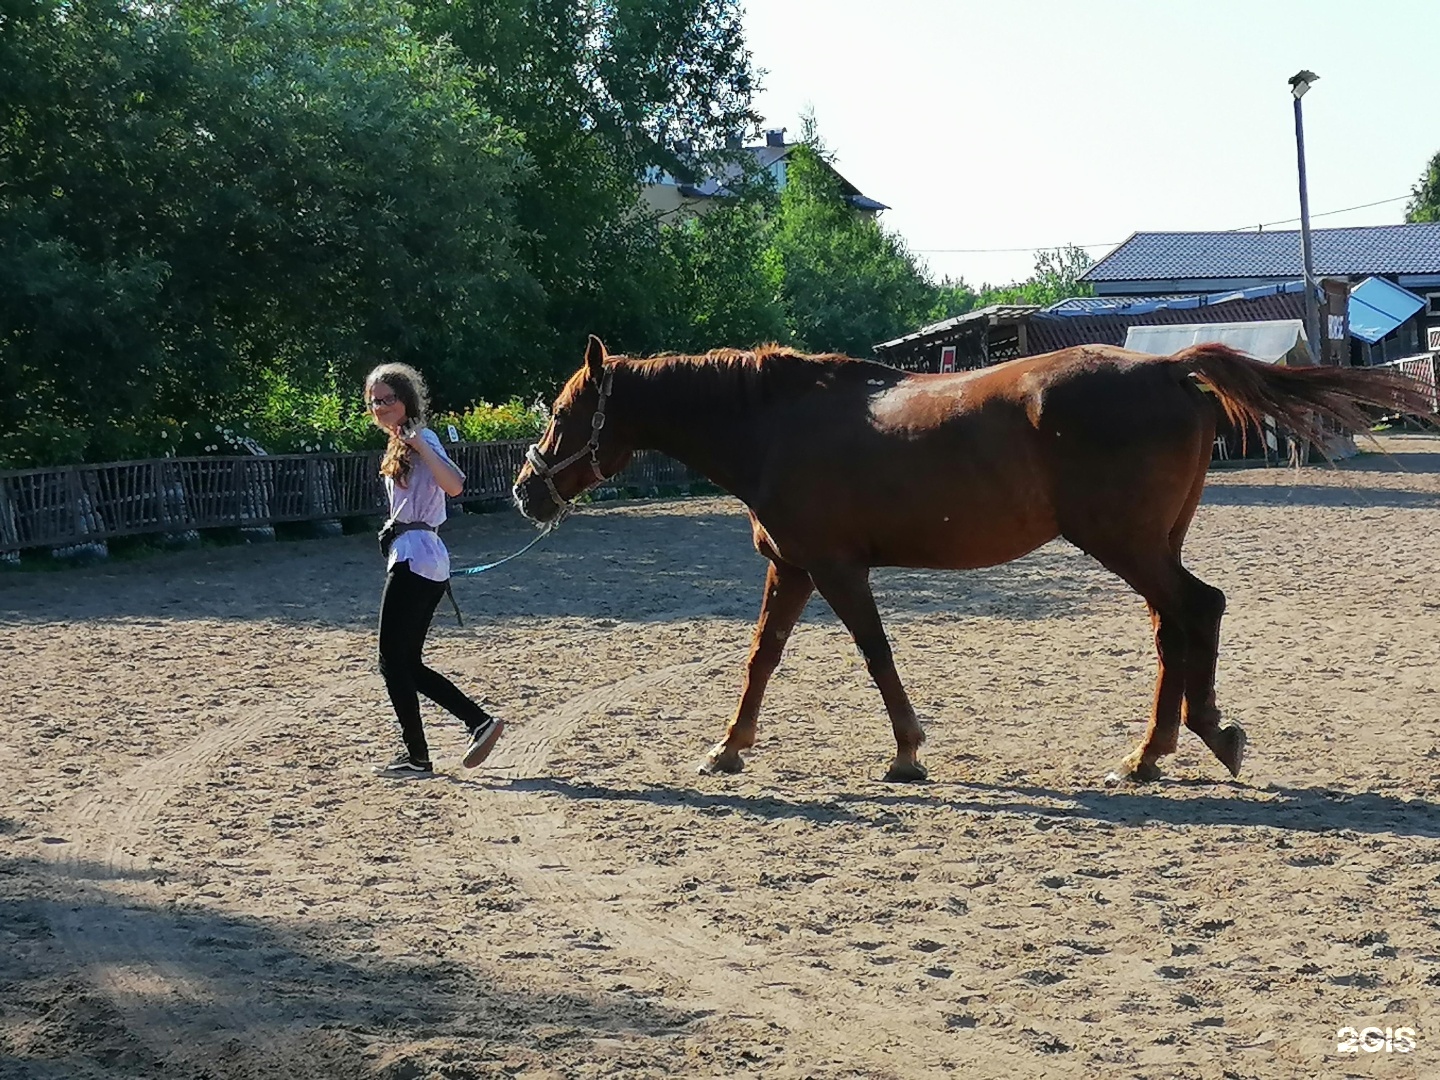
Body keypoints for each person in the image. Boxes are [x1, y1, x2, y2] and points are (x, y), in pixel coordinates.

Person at [365, 362, 504, 778]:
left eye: (389, 399)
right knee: (405, 661)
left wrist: (421, 446)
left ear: (406, 399)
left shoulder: (420, 437)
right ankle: (475, 723)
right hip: (418, 556)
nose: (382, 406)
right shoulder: (397, 443)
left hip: (417, 556)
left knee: (392, 660)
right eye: (375, 401)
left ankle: (419, 754)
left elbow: (455, 484)